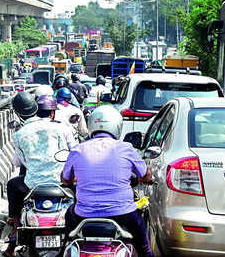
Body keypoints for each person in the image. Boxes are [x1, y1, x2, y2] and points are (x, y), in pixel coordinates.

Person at [61, 105, 155, 257]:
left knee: (69, 229)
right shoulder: (126, 148)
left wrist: (76, 177)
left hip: (84, 214)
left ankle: (64, 248)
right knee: (145, 249)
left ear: (91, 125)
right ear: (117, 126)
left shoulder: (78, 149)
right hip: (124, 214)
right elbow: (145, 175)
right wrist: (148, 179)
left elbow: (65, 180)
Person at [4, 94, 76, 257]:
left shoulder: (19, 134)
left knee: (12, 185)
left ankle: (15, 230)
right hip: (61, 183)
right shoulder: (61, 128)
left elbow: (17, 163)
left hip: (33, 185)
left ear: (18, 113)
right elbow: (75, 152)